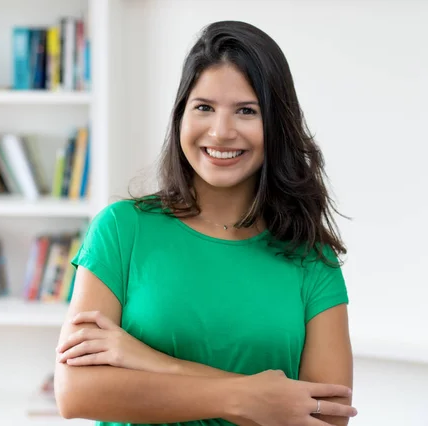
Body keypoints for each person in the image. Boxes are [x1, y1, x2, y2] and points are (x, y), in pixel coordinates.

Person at [54, 20, 357, 426]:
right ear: (181, 115)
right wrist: (252, 399)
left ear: (276, 125)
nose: (221, 131)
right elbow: (77, 393)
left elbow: (326, 420)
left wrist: (145, 360)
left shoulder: (311, 259)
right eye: (204, 108)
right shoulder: (122, 230)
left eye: (246, 111)